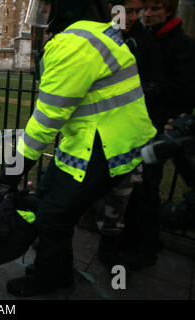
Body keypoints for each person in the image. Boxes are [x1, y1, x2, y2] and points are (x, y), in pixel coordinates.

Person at [0, 0, 157, 297]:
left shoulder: (73, 43)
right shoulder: (99, 32)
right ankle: (58, 269)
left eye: (46, 7)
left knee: (54, 215)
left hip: (106, 148)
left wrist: (11, 172)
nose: (42, 15)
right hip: (103, 140)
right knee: (48, 200)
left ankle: (49, 279)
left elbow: (46, 120)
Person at [95, 0, 168, 270]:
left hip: (131, 133)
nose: (134, 16)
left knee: (124, 194)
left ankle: (112, 247)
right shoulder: (101, 37)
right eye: (129, 10)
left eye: (138, 11)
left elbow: (156, 83)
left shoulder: (142, 42)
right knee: (94, 188)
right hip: (101, 130)